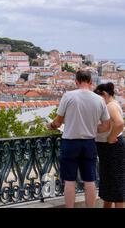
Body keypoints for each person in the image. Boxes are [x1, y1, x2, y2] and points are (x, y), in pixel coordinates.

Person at [47, 70, 110, 208]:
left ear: (76, 81)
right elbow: (106, 125)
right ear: (91, 82)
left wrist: (49, 125)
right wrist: (93, 128)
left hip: (70, 142)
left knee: (69, 180)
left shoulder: (68, 96)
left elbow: (58, 122)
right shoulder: (99, 100)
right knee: (90, 180)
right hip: (89, 143)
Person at [94, 83, 125, 208]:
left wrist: (111, 137)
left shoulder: (111, 106)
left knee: (116, 185)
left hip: (112, 148)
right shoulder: (111, 104)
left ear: (104, 94)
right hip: (108, 149)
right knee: (110, 184)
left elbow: (119, 123)